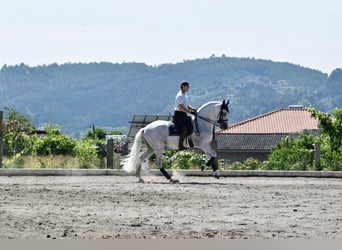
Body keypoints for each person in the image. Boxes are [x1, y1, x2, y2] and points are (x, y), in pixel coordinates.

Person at [174, 81, 197, 150]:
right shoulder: (180, 95)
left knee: (191, 126)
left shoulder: (184, 95)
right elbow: (180, 107)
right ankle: (180, 145)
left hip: (183, 113)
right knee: (185, 128)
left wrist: (193, 109)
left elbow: (186, 105)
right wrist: (190, 112)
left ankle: (188, 142)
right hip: (179, 114)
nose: (188, 88)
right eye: (187, 86)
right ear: (183, 86)